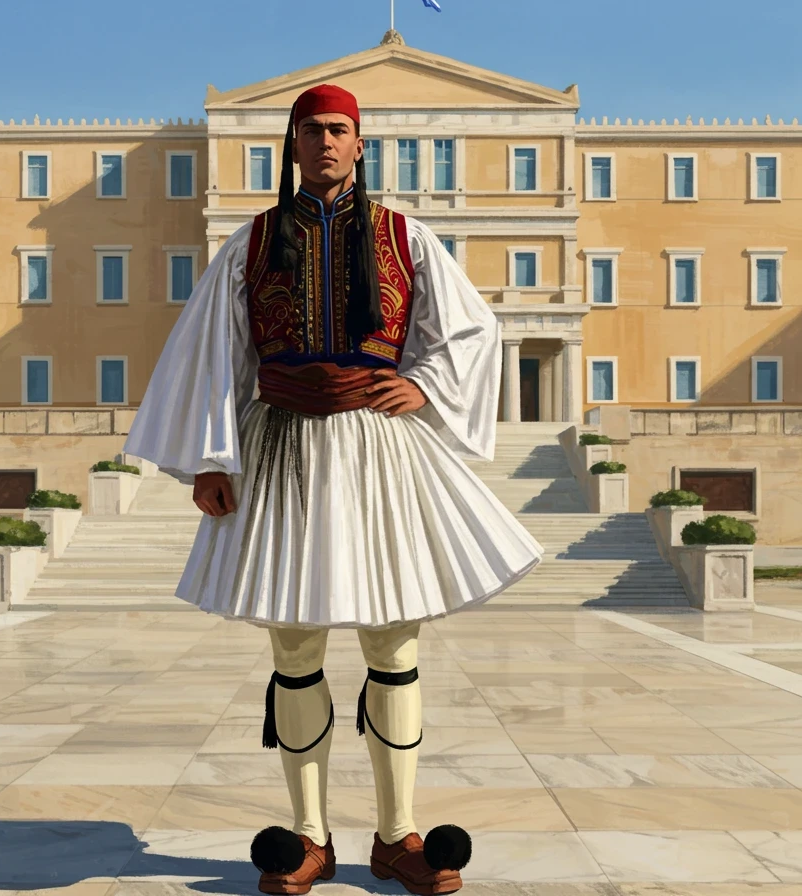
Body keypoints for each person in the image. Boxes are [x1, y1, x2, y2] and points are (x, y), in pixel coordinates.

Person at [122, 83, 542, 896]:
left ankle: (396, 836)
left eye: (339, 131)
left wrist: (421, 383)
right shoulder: (249, 244)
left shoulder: (404, 236)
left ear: (360, 144)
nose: (325, 142)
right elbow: (213, 352)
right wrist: (213, 458)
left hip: (379, 449)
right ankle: (310, 839)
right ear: (291, 144)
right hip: (283, 443)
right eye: (311, 130)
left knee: (394, 643)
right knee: (296, 644)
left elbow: (471, 326)